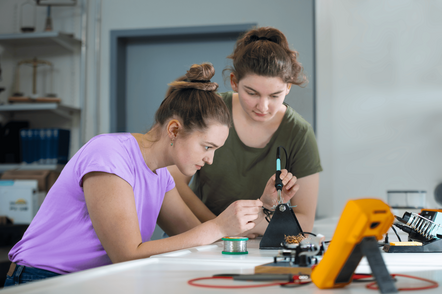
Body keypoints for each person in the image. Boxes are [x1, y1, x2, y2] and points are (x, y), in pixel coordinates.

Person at [4, 63, 265, 287]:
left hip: (87, 281)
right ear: (174, 130)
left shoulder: (161, 175)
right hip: (41, 279)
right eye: (207, 147)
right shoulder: (109, 154)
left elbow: (194, 236)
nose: (210, 159)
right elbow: (127, 255)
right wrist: (219, 226)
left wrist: (262, 207)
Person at [169, 27, 323, 237]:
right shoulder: (209, 110)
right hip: (198, 234)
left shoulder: (300, 133)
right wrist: (218, 227)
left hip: (254, 244)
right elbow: (173, 182)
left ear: (288, 87)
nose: (263, 106)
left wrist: (245, 227)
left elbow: (304, 220)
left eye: (275, 95)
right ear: (234, 82)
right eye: (252, 93)